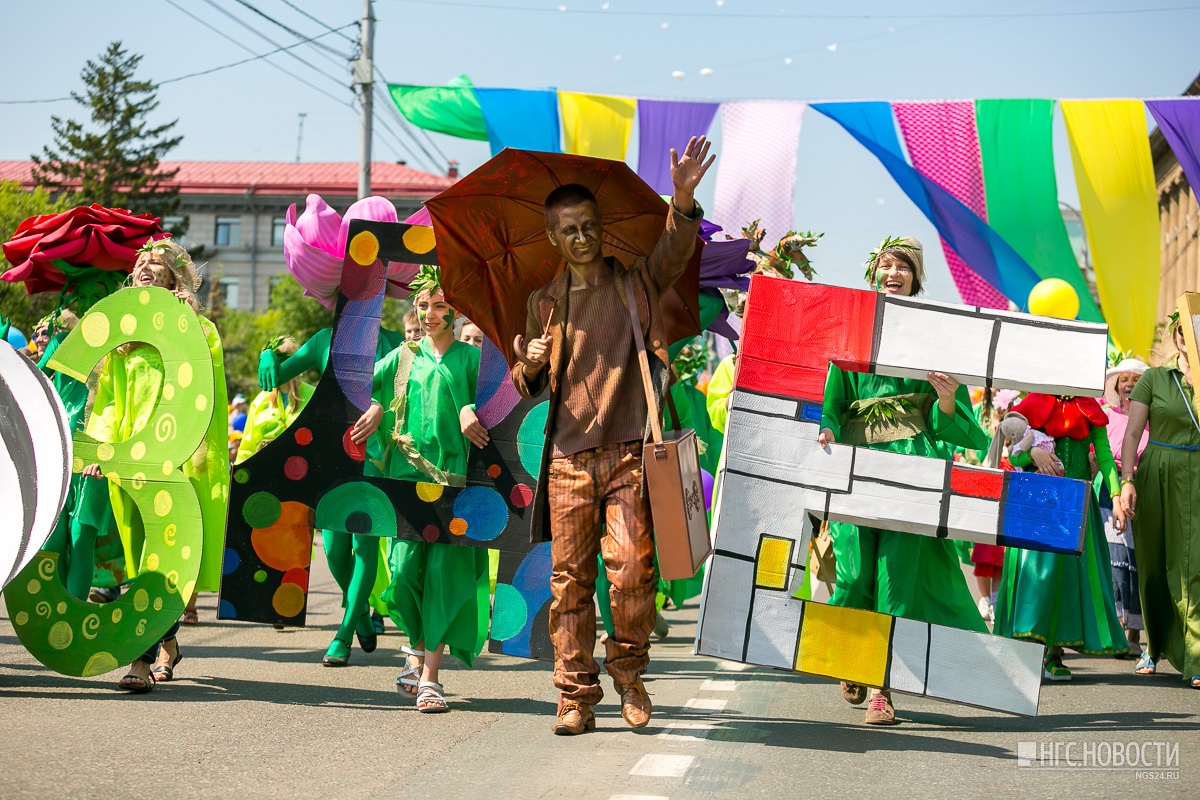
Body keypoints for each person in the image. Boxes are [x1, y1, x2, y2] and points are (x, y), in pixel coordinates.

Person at [511, 136, 714, 735]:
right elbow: (527, 385)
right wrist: (532, 359)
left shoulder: (635, 284)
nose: (580, 237)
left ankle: (628, 672)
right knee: (568, 580)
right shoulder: (543, 303)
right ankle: (574, 695)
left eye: (588, 226)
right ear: (553, 238)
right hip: (567, 460)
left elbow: (674, 255)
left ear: (600, 229)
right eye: (568, 230)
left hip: (630, 453)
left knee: (630, 572)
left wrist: (681, 197)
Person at [819, 236, 990, 726]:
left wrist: (949, 399)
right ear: (874, 272)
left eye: (904, 268)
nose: (894, 274)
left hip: (911, 466)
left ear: (916, 279)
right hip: (855, 462)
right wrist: (828, 424)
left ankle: (881, 688)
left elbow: (948, 420)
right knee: (851, 576)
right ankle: (852, 657)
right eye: (887, 265)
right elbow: (834, 394)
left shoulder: (933, 333)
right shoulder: (852, 326)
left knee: (896, 584)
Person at [82, 238, 228, 692]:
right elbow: (107, 401)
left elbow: (207, 394)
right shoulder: (122, 339)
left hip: (176, 464)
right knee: (140, 561)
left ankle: (139, 664)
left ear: (173, 278)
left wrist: (188, 323)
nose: (146, 266)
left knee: (159, 564)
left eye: (157, 263)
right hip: (129, 463)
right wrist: (100, 450)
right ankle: (167, 642)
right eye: (141, 262)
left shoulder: (198, 330)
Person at [352, 266, 490, 712]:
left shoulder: (472, 360)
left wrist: (472, 407)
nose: (429, 313)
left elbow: (503, 406)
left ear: (455, 311)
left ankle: (430, 675)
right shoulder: (403, 356)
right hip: (407, 482)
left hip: (456, 485)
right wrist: (375, 407)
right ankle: (416, 646)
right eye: (422, 305)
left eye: (438, 306)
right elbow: (366, 386)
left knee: (443, 578)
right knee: (404, 572)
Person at [993, 385, 1129, 680]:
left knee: (1068, 579)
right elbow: (1014, 458)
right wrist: (1033, 452)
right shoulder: (1033, 403)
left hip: (1076, 504)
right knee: (1038, 580)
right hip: (1039, 506)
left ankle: (1055, 654)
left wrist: (1116, 497)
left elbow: (1104, 457)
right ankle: (1030, 652)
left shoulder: (1090, 407)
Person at [1120, 309, 1199, 688]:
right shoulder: (1153, 377)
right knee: (1152, 561)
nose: (1188, 335)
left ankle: (1195, 655)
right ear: (1175, 333)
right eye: (1181, 329)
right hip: (1155, 471)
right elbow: (1133, 434)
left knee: (1190, 564)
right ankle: (1153, 647)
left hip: (1196, 473)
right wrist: (1127, 479)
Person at [1100, 357, 1149, 654]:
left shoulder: (1153, 419)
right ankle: (1118, 630)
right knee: (1115, 558)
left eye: (1135, 379)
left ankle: (1135, 634)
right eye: (1124, 380)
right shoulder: (1106, 416)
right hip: (1111, 490)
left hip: (1145, 488)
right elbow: (1098, 449)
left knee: (1139, 560)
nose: (1129, 384)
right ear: (1117, 387)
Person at [236, 338, 315, 464]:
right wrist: (239, 477)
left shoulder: (313, 395)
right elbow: (247, 448)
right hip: (267, 474)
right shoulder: (260, 402)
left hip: (305, 470)